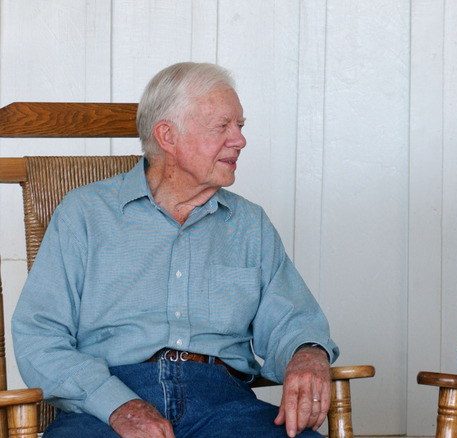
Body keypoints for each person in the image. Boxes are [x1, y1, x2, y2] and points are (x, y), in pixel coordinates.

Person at [12, 62, 339, 438]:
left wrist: (308, 352)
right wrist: (117, 403)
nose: (240, 140)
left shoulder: (250, 224)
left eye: (241, 126)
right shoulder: (84, 214)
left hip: (226, 406)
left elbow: (293, 321)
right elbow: (39, 336)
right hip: (106, 407)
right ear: (167, 136)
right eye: (223, 127)